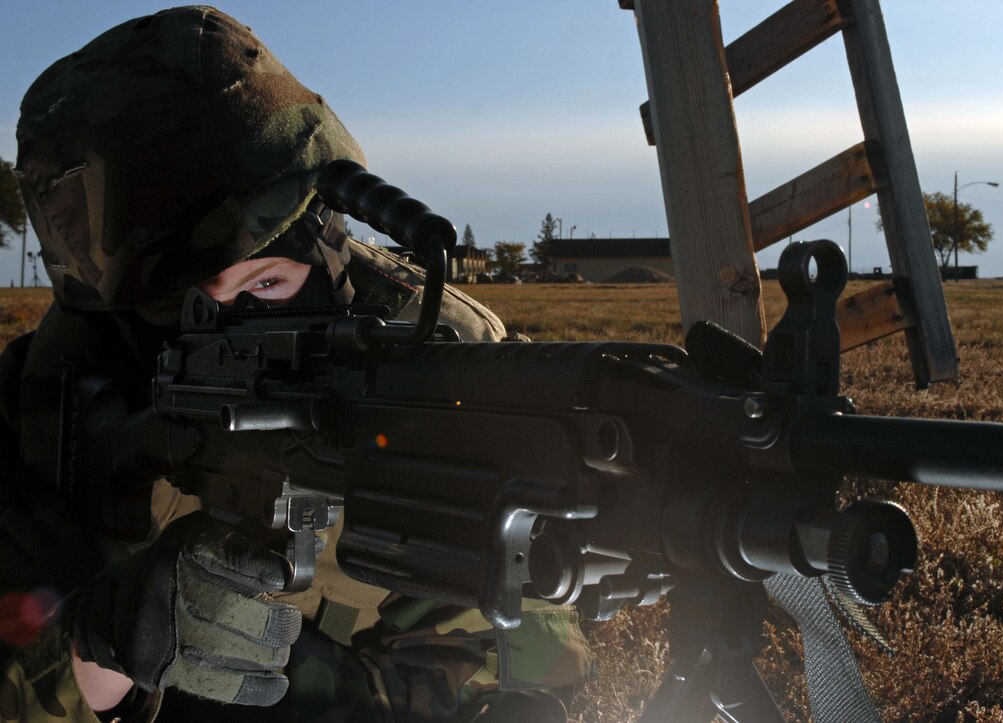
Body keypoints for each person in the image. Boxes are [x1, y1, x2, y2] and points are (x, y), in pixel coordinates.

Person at [0, 7, 593, 721]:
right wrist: (99, 646)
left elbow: (518, 666)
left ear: (327, 243)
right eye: (182, 307)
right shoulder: (50, 400)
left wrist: (320, 685)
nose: (233, 329)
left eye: (266, 284)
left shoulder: (435, 381)